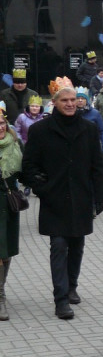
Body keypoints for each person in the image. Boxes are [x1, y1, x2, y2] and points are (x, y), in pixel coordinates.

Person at [20, 82, 103, 320]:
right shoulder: (40, 130)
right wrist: (43, 188)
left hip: (81, 198)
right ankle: (61, 300)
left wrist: (101, 197)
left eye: (73, 100)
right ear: (55, 103)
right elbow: (27, 167)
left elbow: (97, 167)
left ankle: (71, 287)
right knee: (59, 246)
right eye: (64, 100)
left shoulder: (88, 129)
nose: (70, 104)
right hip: (54, 199)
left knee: (77, 244)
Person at [0, 109, 23, 321]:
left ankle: (1, 289)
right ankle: (0, 297)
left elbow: (26, 171)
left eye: (2, 123)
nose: (0, 127)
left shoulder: (15, 144)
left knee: (5, 251)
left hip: (8, 203)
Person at [75, 87, 103, 160]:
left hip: (91, 148)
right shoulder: (70, 113)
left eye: (83, 98)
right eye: (78, 98)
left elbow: (102, 131)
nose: (80, 100)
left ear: (86, 100)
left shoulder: (95, 113)